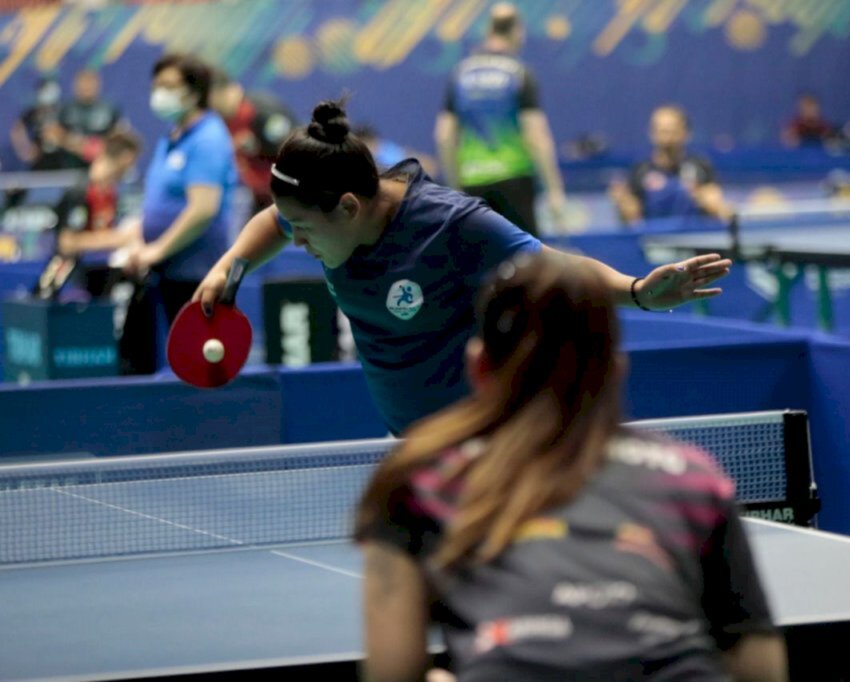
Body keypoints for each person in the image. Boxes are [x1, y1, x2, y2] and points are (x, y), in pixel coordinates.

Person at [354, 250, 788, 682]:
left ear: (478, 367)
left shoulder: (420, 481)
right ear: (616, 370)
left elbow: (394, 672)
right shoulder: (695, 478)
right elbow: (760, 670)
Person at [192, 97, 731, 435]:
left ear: (350, 208)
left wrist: (637, 290)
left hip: (480, 446)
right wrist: (229, 269)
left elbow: (552, 264)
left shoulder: (454, 226)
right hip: (408, 443)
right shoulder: (322, 207)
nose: (297, 240)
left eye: (304, 230)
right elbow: (271, 222)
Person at [121, 53, 237, 374]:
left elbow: (203, 210)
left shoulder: (208, 139)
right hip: (165, 273)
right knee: (159, 362)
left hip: (197, 278)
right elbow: (158, 204)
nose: (159, 94)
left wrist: (155, 250)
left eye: (169, 86)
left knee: (201, 367)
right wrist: (138, 238)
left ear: (194, 91)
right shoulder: (171, 138)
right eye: (156, 85)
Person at [434, 2, 565, 237]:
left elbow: (444, 136)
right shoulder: (519, 73)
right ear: (517, 31)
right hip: (514, 180)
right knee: (525, 264)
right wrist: (554, 189)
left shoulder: (461, 74)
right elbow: (537, 136)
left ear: (488, 31)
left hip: (472, 181)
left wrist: (455, 188)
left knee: (480, 264)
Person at [53, 130, 143, 296]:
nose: (131, 168)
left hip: (101, 275)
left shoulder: (110, 193)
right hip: (74, 283)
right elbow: (67, 242)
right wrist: (119, 238)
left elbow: (101, 232)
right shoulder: (81, 191)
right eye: (132, 162)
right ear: (126, 157)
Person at [608, 105, 731, 226]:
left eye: (672, 131)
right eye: (661, 131)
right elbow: (632, 217)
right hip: (654, 241)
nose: (667, 138)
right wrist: (623, 204)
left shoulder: (700, 166)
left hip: (692, 238)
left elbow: (717, 206)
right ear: (652, 133)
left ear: (685, 133)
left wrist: (711, 203)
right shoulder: (640, 171)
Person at [208, 68, 297, 216]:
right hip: (260, 197)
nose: (210, 106)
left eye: (211, 99)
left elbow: (296, 152)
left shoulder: (261, 112)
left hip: (290, 197)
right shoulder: (221, 121)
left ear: (228, 91)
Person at [9, 77, 79, 171]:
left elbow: (74, 134)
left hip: (62, 160)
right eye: (45, 90)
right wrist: (26, 150)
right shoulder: (34, 113)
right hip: (39, 162)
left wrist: (62, 139)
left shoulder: (64, 112)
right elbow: (17, 129)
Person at [56, 69, 125, 166]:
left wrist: (101, 147)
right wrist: (72, 144)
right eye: (83, 82)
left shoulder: (109, 109)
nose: (87, 87)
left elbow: (120, 134)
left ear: (98, 84)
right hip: (70, 164)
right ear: (75, 85)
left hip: (100, 164)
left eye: (90, 82)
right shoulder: (65, 109)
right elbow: (54, 133)